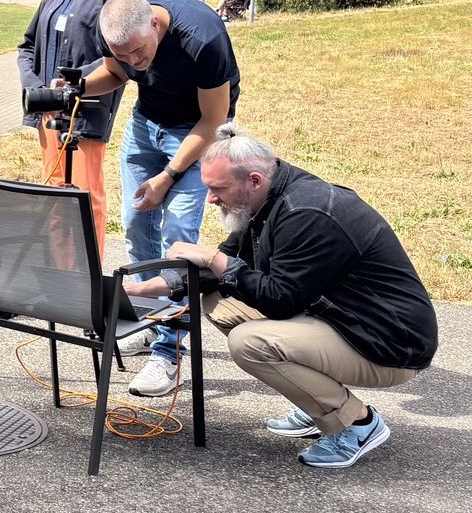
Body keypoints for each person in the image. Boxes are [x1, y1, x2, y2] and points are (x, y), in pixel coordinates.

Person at [126, 125, 437, 468]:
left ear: (254, 180)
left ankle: (356, 424)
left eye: (218, 189)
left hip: (389, 344)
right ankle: (317, 404)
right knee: (220, 303)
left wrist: (214, 260)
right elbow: (226, 264)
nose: (211, 199)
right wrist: (143, 289)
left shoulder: (306, 213)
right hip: (345, 320)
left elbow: (279, 299)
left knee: (250, 343)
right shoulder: (267, 197)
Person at [76, 0, 240, 397]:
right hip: (146, 123)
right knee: (135, 223)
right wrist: (76, 86)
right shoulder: (115, 29)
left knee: (179, 236)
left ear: (154, 24)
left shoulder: (202, 39)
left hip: (196, 131)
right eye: (124, 54)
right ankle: (150, 322)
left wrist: (167, 176)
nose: (134, 62)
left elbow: (214, 120)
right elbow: (115, 74)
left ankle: (170, 350)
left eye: (139, 52)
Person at [15, 0, 130, 254]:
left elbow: (121, 58)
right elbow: (27, 47)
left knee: (84, 194)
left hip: (84, 115)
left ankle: (88, 271)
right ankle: (60, 267)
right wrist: (37, 87)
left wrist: (75, 82)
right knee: (55, 191)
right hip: (48, 112)